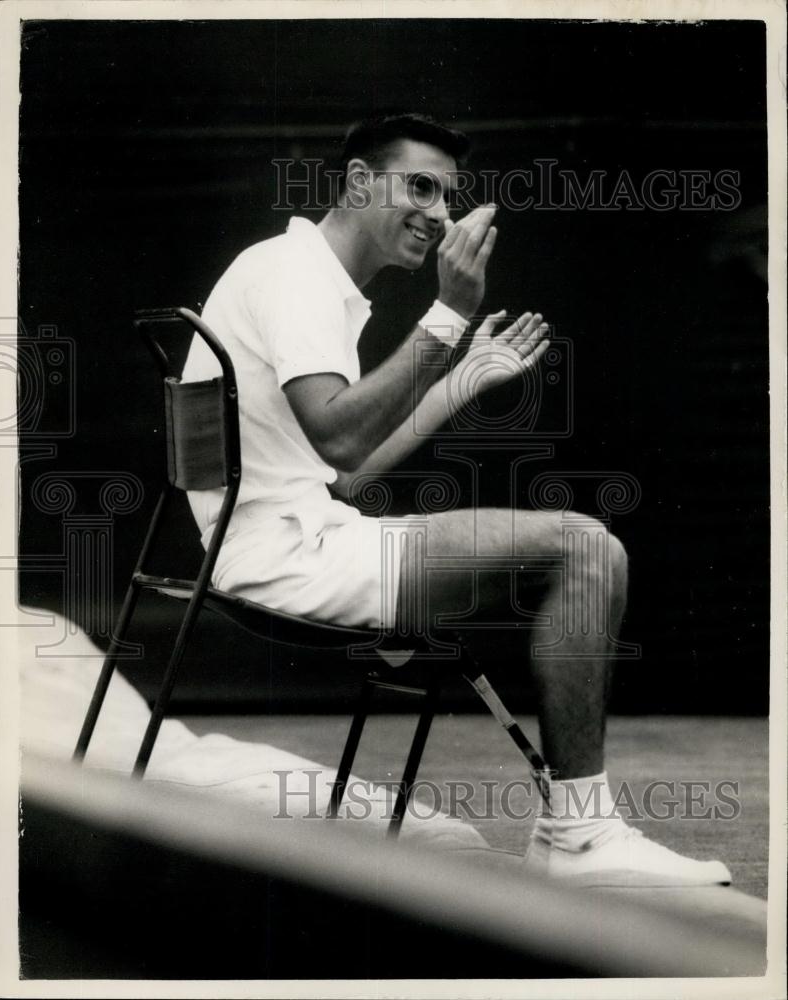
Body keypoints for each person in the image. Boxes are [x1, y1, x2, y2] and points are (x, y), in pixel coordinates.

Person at [183, 113, 731, 887]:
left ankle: (577, 832)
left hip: (294, 541)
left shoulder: (301, 274)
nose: (439, 214)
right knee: (586, 549)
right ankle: (579, 836)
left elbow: (346, 476)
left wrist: (462, 379)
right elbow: (342, 442)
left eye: (447, 196)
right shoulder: (294, 277)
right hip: (288, 561)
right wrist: (447, 316)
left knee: (584, 547)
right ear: (359, 182)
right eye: (420, 187)